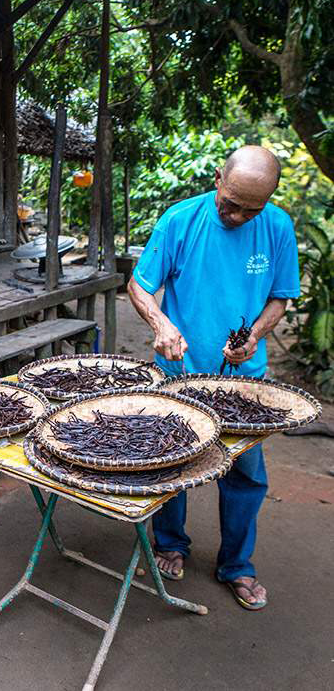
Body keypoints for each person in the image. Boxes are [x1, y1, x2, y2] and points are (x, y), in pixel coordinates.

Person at [128, 145, 300, 611]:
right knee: (171, 463)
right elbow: (139, 285)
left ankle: (237, 566)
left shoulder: (279, 227)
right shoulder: (180, 220)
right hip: (178, 373)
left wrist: (254, 337)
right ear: (218, 178)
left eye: (253, 209)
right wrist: (162, 324)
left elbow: (280, 298)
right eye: (232, 204)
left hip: (242, 382)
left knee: (245, 473)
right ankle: (169, 545)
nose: (241, 216)